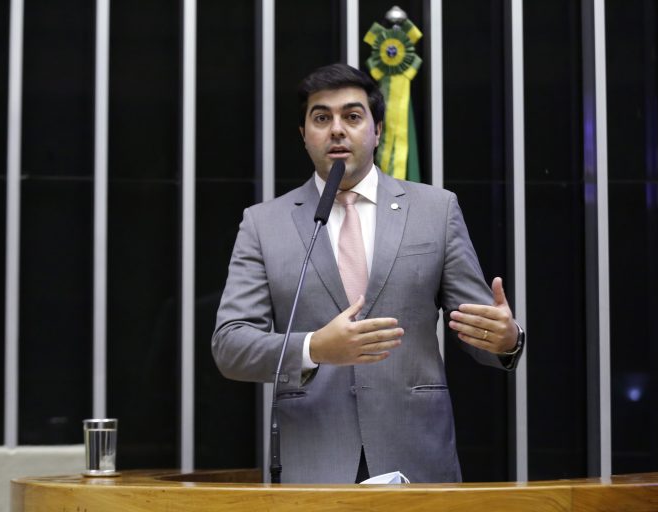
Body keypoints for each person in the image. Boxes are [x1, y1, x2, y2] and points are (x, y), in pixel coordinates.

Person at [212, 63, 524, 484]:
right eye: (321, 118)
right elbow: (231, 345)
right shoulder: (263, 223)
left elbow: (479, 331)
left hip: (416, 456)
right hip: (314, 461)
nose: (337, 129)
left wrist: (507, 340)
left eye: (352, 116)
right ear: (304, 135)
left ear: (377, 130)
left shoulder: (436, 210)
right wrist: (314, 348)